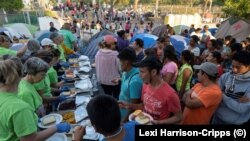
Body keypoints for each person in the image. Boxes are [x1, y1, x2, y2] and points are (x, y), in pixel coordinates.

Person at [0, 56, 70, 141]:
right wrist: (56, 128)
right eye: (42, 75)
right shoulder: (20, 105)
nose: (44, 78)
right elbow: (31, 139)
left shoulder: (8, 96)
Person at [119, 56, 182, 124]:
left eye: (142, 72)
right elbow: (145, 106)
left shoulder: (170, 94)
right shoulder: (145, 85)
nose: (139, 75)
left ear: (153, 72)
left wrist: (159, 123)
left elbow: (179, 117)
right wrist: (130, 105)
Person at [212, 51, 250, 125]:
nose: (234, 70)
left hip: (235, 123)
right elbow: (214, 93)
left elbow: (242, 109)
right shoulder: (226, 76)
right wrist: (236, 101)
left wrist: (222, 95)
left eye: (238, 67)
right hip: (217, 118)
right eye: (232, 66)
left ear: (248, 66)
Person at [116, 48, 143, 122]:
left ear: (126, 62)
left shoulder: (135, 81)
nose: (119, 64)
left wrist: (124, 122)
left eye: (120, 61)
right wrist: (119, 80)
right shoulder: (125, 72)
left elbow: (134, 106)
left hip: (127, 117)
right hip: (121, 112)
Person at [95, 35, 121, 99]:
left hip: (102, 81)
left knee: (106, 98)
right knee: (115, 98)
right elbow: (120, 69)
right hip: (114, 81)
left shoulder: (98, 53)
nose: (115, 45)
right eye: (115, 43)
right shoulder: (115, 54)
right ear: (111, 44)